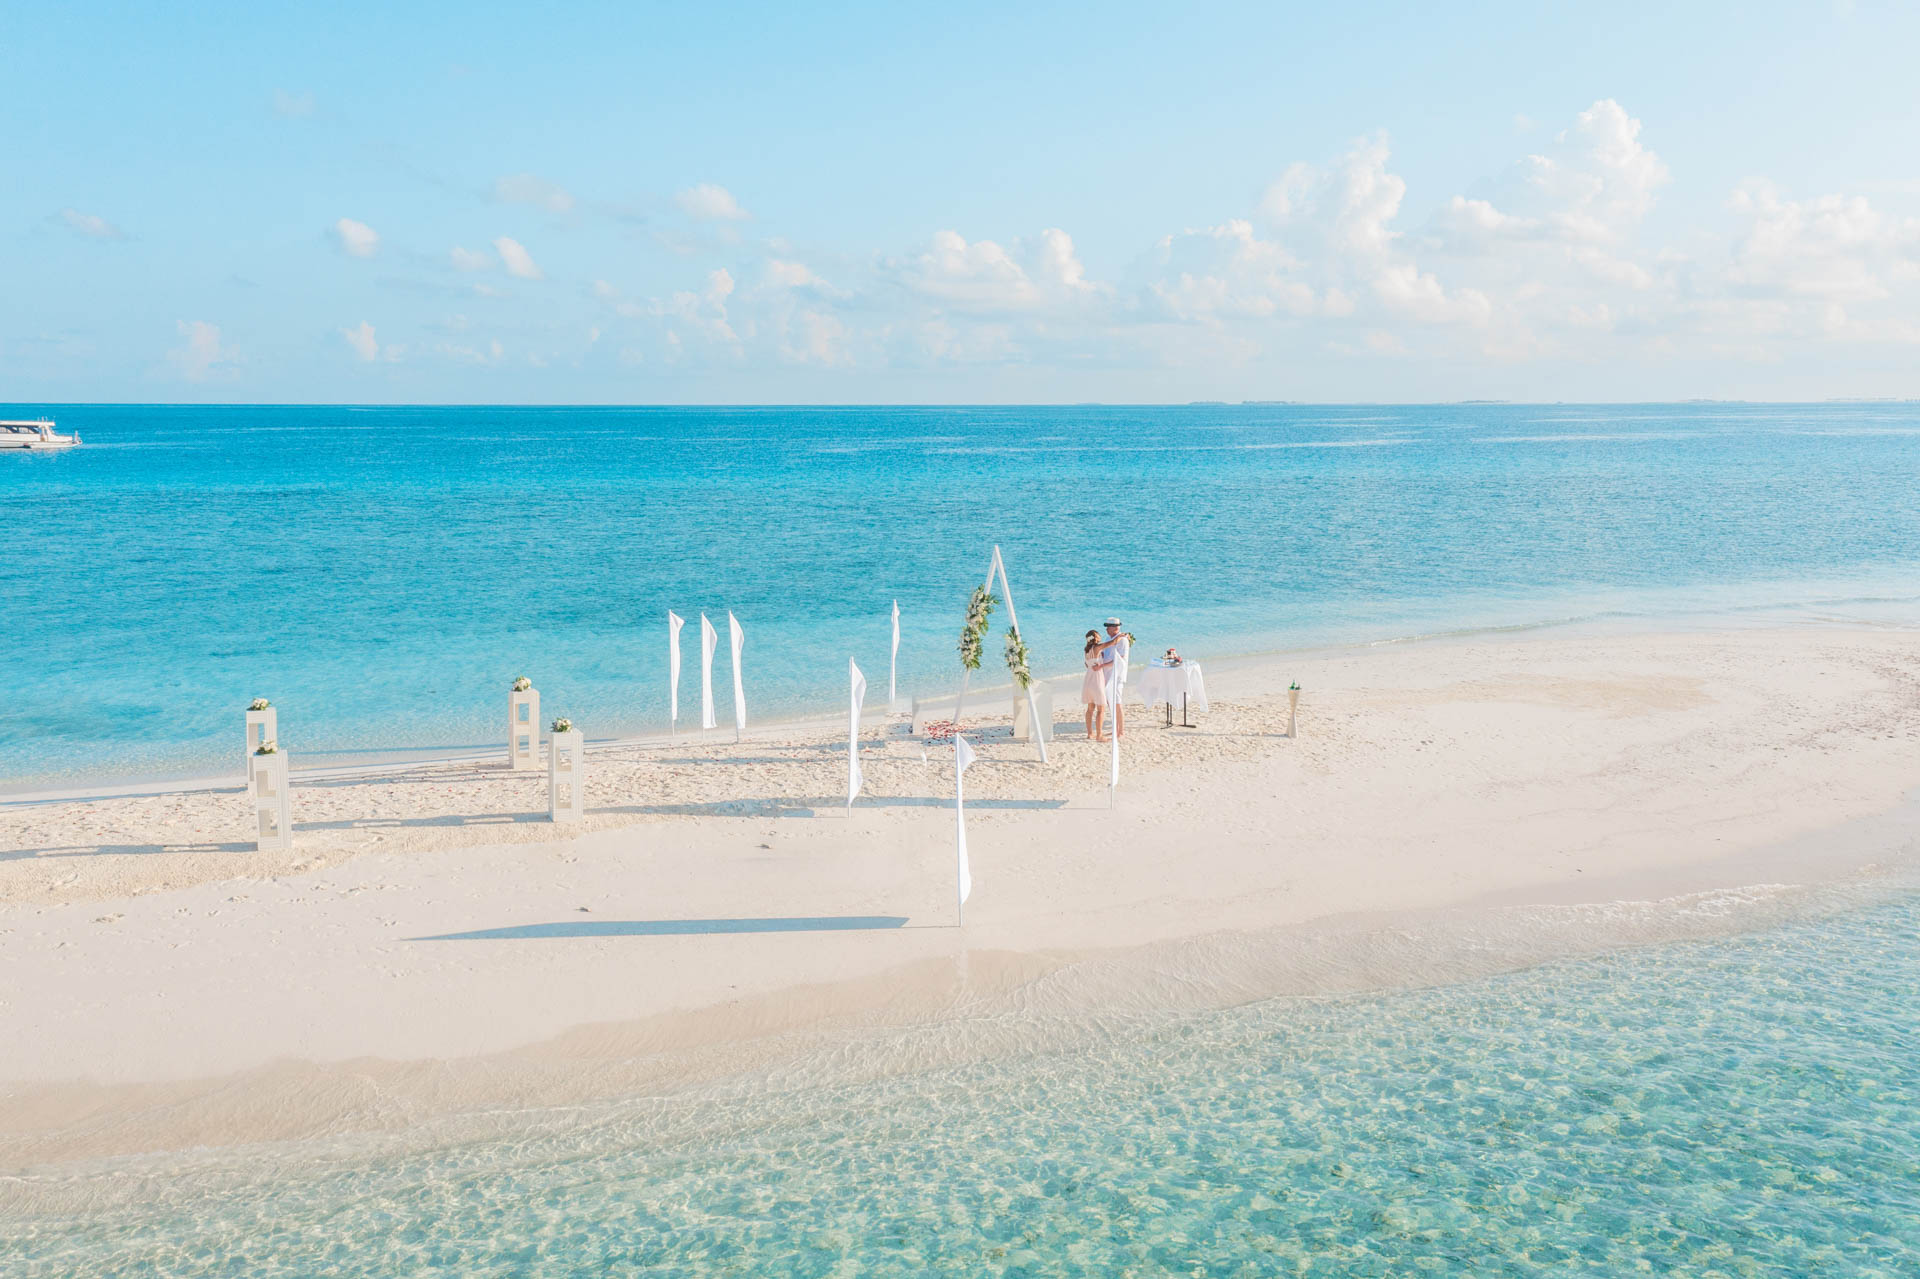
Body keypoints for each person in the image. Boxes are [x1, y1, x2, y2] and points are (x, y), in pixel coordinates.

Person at [1092, 616, 1131, 738]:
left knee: (1117, 703)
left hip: (1117, 675)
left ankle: (1121, 732)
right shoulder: (1111, 639)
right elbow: (1108, 655)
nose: (1106, 629)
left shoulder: (1123, 641)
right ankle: (1115, 729)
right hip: (1108, 675)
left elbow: (1120, 660)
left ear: (1115, 628)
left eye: (1108, 627)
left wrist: (1102, 666)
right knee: (1111, 703)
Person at [1080, 630, 1107, 741]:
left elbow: (1087, 665)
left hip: (1088, 681)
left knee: (1090, 709)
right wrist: (1123, 636)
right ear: (1096, 637)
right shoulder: (1097, 648)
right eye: (1098, 634)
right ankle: (1099, 735)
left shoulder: (1087, 651)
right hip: (1096, 680)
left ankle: (1090, 734)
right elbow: (1113, 642)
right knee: (1101, 709)